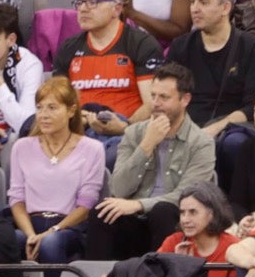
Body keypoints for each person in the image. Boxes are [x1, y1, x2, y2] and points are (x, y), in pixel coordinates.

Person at [86, 63, 215, 260]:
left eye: (164, 97)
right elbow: (118, 189)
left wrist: (139, 204)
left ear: (185, 99)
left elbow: (187, 197)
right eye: (153, 95)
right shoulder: (133, 133)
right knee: (102, 212)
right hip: (133, 221)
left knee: (162, 212)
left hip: (173, 221)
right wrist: (146, 145)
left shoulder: (201, 143)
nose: (155, 103)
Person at [164, 0, 255, 190]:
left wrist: (216, 128)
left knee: (235, 144)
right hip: (186, 125)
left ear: (226, 7)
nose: (195, 8)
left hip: (232, 128)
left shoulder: (253, 47)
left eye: (204, 2)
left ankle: (233, 206)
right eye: (193, 1)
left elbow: (254, 105)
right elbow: (169, 95)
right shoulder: (180, 46)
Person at [51, 0, 163, 164]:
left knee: (109, 157)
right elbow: (57, 100)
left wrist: (124, 126)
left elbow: (153, 103)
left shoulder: (140, 44)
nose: (83, 9)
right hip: (79, 130)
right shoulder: (68, 48)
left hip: (125, 133)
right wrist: (79, 117)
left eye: (93, 2)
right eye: (80, 3)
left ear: (117, 8)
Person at [5, 78, 102, 277]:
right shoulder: (22, 147)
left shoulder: (92, 148)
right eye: (39, 108)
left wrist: (53, 230)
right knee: (9, 239)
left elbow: (86, 205)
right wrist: (31, 234)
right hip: (30, 222)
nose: (44, 115)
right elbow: (16, 198)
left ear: (70, 110)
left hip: (69, 226)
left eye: (52, 108)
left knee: (51, 242)